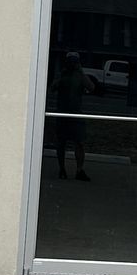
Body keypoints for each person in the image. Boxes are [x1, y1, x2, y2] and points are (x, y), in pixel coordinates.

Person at [50, 49, 91, 180]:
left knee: (79, 142)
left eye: (75, 61)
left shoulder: (80, 75)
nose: (72, 64)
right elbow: (52, 88)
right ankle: (62, 168)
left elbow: (91, 87)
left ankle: (79, 170)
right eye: (70, 61)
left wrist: (81, 71)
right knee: (61, 142)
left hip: (76, 113)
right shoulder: (62, 75)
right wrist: (62, 76)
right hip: (62, 113)